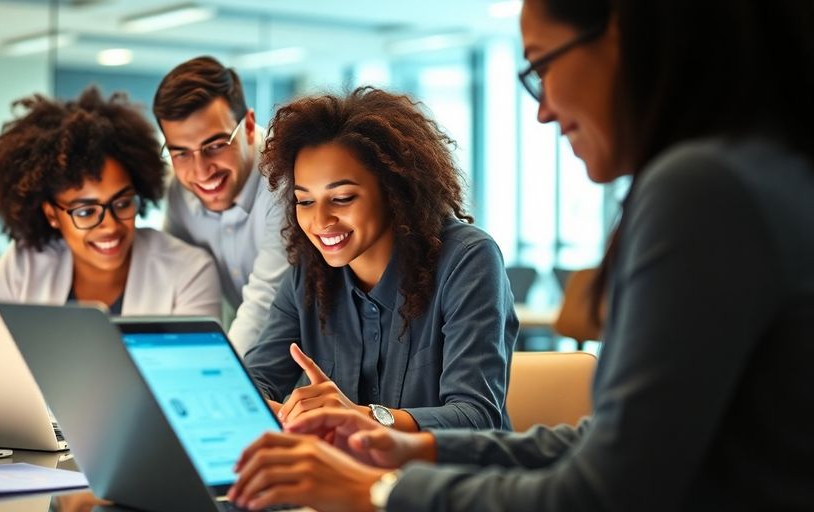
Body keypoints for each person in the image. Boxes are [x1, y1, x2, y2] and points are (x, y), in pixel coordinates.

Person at [227, 0, 814, 510]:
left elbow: (602, 492)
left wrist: (376, 491)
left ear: (619, 36)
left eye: (542, 66)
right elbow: (605, 444)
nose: (542, 109)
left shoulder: (702, 190)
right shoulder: (763, 171)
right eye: (305, 201)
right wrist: (408, 447)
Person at [244, 87, 518, 434]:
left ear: (393, 190)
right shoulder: (309, 274)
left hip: (449, 469)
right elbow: (255, 380)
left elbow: (476, 417)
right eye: (305, 201)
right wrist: (257, 406)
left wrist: (361, 417)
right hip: (345, 468)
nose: (320, 221)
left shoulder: (467, 260)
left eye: (342, 198)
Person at [0, 87, 221, 317]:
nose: (110, 226)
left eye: (122, 203)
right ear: (52, 214)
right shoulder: (25, 264)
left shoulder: (189, 271)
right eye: (86, 212)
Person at [153, 56, 289, 353]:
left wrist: (220, 373)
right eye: (181, 153)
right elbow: (173, 275)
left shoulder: (285, 179)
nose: (201, 171)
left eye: (215, 146)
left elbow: (264, 302)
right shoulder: (179, 192)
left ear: (249, 127)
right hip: (260, 355)